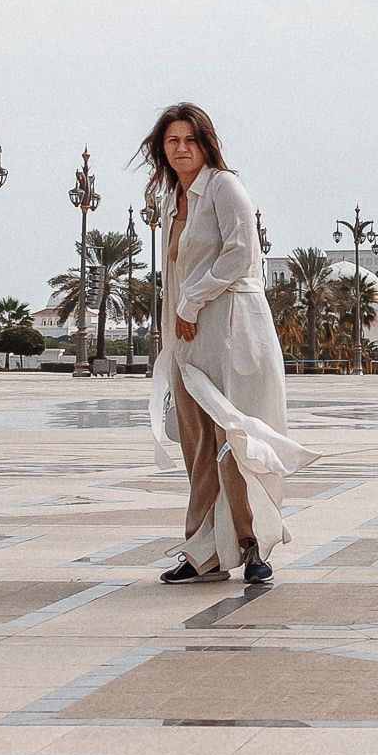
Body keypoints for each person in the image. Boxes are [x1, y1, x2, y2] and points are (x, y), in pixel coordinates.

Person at [138, 104, 315, 585]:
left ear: (205, 142)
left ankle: (253, 544)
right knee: (198, 446)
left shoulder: (223, 186)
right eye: (172, 141)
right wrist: (174, 330)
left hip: (232, 330)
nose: (180, 149)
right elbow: (175, 274)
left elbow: (242, 253)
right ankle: (203, 553)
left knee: (234, 440)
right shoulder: (173, 199)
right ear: (162, 148)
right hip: (188, 338)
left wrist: (192, 304)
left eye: (189, 140)